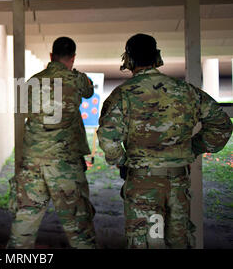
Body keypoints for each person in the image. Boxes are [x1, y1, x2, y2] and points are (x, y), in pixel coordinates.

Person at [97, 33, 232, 249]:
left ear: (128, 60)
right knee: (179, 242)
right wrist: (194, 148)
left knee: (149, 241)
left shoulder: (121, 95)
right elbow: (222, 125)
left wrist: (122, 161)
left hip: (143, 187)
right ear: (157, 57)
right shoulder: (186, 91)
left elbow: (108, 138)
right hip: (178, 185)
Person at [7, 37, 97, 249]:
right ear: (73, 57)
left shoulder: (32, 81)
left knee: (25, 221)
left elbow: (23, 111)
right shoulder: (77, 80)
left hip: (33, 162)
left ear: (51, 56)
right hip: (65, 165)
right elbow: (89, 91)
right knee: (78, 227)